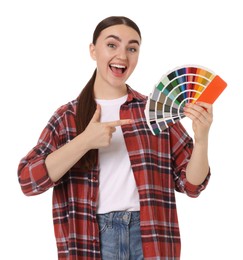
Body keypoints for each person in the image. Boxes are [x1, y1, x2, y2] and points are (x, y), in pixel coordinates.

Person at [18, 16, 212, 260]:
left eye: (132, 48)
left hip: (150, 239)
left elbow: (192, 185)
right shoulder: (67, 117)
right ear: (93, 50)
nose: (123, 55)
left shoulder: (156, 112)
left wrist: (202, 139)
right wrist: (84, 141)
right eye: (112, 45)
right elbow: (28, 181)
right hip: (91, 241)